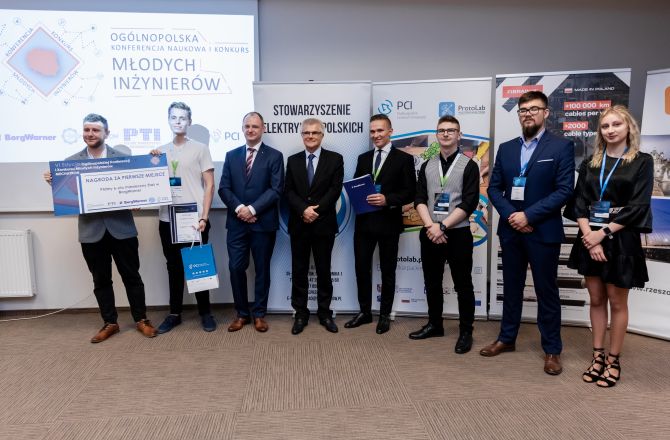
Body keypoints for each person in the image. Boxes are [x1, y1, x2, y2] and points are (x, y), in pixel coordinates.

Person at [481, 91, 575, 375]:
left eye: (534, 109)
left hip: (543, 230)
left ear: (546, 113)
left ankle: (552, 350)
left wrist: (528, 215)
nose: (528, 114)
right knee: (511, 287)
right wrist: (513, 216)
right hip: (511, 231)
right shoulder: (507, 149)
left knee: (546, 291)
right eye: (523, 110)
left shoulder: (561, 147)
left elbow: (564, 190)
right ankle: (507, 338)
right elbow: (494, 188)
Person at [43, 113, 156, 342]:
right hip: (91, 232)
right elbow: (70, 198)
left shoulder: (124, 159)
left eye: (95, 130)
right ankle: (110, 322)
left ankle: (141, 319)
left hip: (122, 229)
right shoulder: (69, 163)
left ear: (106, 133)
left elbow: (139, 191)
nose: (90, 134)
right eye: (87, 130)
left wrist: (152, 164)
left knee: (132, 277)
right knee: (100, 280)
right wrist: (55, 183)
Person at [565, 105, 653, 387]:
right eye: (605, 126)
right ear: (600, 131)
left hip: (620, 238)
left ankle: (614, 360)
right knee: (596, 299)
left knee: (617, 301)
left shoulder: (642, 161)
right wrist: (589, 237)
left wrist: (601, 234)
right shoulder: (590, 163)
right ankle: (598, 356)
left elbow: (638, 206)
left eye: (617, 124)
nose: (611, 130)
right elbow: (579, 202)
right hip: (589, 235)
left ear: (629, 128)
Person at [408, 115, 479, 354]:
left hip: (457, 234)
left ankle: (466, 331)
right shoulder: (427, 165)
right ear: (437, 135)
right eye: (441, 130)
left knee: (463, 284)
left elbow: (469, 202)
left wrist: (443, 226)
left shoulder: (469, 165)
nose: (446, 134)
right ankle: (435, 325)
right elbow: (419, 198)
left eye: (451, 130)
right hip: (430, 232)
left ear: (459, 135)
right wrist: (431, 226)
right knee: (432, 282)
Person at [344, 114, 415, 334]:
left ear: (390, 131)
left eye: (380, 130)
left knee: (388, 271)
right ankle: (365, 312)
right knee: (361, 269)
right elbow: (356, 185)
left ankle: (384, 315)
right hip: (364, 224)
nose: (376, 135)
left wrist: (387, 199)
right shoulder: (363, 158)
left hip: (388, 223)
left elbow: (410, 192)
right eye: (372, 131)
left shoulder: (404, 159)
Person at [152, 102, 216, 333]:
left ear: (189, 121)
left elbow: (210, 185)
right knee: (174, 268)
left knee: (198, 266)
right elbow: (150, 183)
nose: (178, 121)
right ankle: (174, 313)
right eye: (173, 117)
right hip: (168, 219)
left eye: (182, 118)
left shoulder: (200, 148)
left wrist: (204, 217)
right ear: (168, 120)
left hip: (194, 220)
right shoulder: (159, 152)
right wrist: (150, 163)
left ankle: (205, 313)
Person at [218, 112, 284, 332]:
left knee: (262, 269)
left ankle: (259, 314)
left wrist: (253, 209)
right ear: (242, 128)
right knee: (236, 267)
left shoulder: (275, 156)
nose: (250, 130)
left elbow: (276, 189)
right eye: (247, 126)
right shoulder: (231, 155)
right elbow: (224, 188)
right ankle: (241, 314)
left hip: (263, 224)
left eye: (255, 126)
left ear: (263, 128)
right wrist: (241, 209)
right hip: (237, 223)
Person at [285, 118, 344, 335]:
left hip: (323, 225)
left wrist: (315, 211)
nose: (310, 136)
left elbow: (335, 190)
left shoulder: (335, 159)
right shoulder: (292, 161)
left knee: (323, 271)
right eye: (306, 133)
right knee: (299, 271)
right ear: (302, 135)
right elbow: (288, 191)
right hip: (299, 224)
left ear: (322, 135)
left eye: (315, 132)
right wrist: (304, 210)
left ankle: (324, 313)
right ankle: (300, 313)